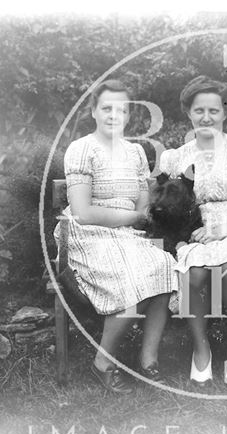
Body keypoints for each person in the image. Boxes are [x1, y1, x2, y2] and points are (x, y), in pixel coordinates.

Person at [55, 79, 177, 393]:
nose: (114, 115)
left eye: (120, 109)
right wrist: (136, 216)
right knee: (129, 278)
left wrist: (141, 213)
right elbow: (83, 212)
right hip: (88, 234)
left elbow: (142, 203)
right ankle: (103, 362)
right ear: (94, 111)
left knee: (165, 267)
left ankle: (148, 362)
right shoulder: (81, 149)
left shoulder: (136, 151)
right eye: (106, 108)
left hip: (126, 233)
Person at [159, 76, 227, 386]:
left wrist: (222, 230)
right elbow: (168, 210)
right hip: (197, 228)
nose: (206, 117)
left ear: (225, 112)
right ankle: (201, 349)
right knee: (193, 272)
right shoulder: (176, 157)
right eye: (199, 111)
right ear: (188, 112)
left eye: (214, 111)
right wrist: (180, 240)